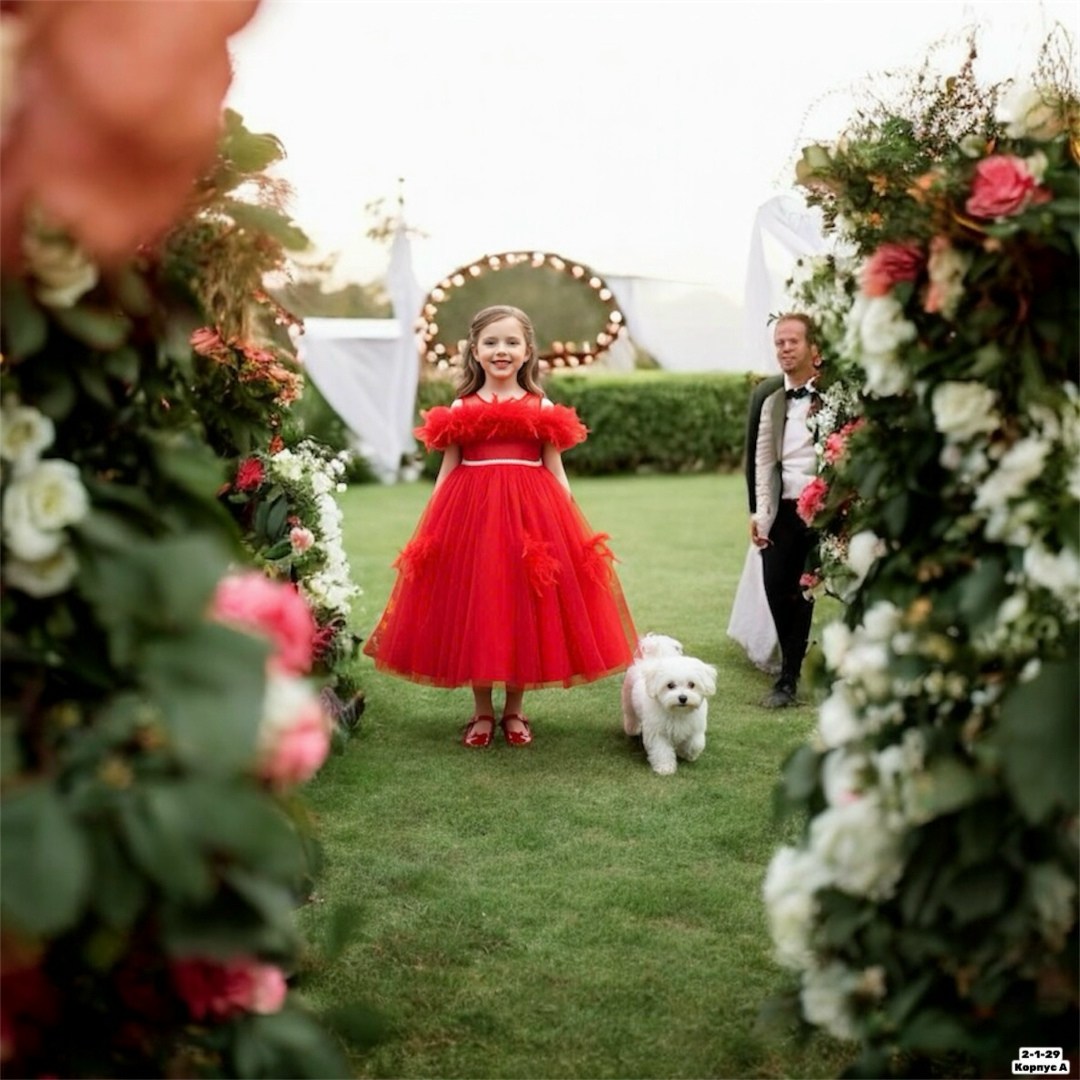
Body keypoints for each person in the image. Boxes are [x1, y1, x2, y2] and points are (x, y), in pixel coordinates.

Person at [363, 304, 637, 747]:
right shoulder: (461, 406)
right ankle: (481, 713)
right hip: (470, 518)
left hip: (532, 520)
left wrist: (569, 525)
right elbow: (448, 470)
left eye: (511, 342)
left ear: (528, 351)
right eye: (491, 342)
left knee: (521, 606)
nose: (501, 350)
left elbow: (555, 469)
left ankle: (514, 711)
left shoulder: (540, 406)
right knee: (479, 604)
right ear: (474, 350)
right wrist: (433, 525)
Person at [744, 313, 822, 708]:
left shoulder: (836, 393)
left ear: (814, 348)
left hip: (825, 509)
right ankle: (793, 658)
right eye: (779, 343)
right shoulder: (770, 396)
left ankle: (788, 677)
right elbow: (758, 459)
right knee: (777, 587)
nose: (785, 349)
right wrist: (760, 512)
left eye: (792, 341)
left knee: (804, 588)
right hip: (783, 508)